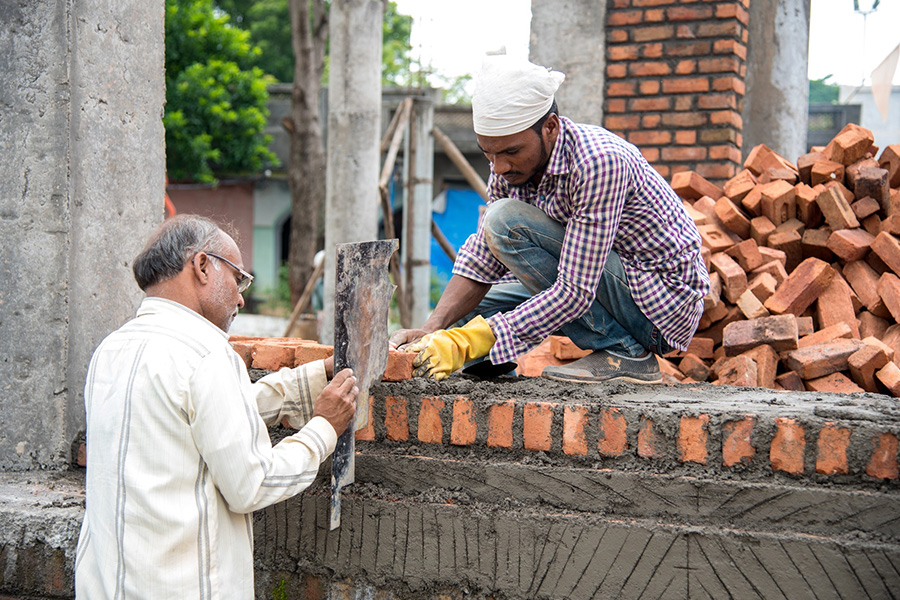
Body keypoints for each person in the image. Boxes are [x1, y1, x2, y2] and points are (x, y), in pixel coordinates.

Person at [75, 215, 358, 598]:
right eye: (238, 278)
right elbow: (252, 484)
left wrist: (311, 378)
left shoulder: (112, 349)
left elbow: (201, 418)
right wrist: (324, 428)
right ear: (203, 266)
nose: (241, 296)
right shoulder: (206, 355)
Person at [391, 54, 710, 384]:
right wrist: (432, 328)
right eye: (489, 153)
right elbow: (483, 257)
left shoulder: (598, 162)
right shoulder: (509, 169)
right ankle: (492, 368)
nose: (498, 166)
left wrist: (474, 340)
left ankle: (626, 354)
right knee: (467, 312)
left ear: (551, 128)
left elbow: (575, 289)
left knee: (504, 221)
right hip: (603, 288)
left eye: (511, 151)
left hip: (658, 305)